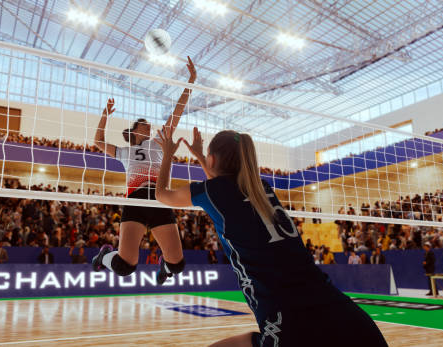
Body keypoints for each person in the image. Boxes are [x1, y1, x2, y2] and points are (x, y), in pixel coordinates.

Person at [153, 127, 387, 347]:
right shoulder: (262, 189)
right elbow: (221, 188)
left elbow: (162, 194)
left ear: (213, 160)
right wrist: (202, 157)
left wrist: (167, 155)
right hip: (344, 314)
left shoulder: (212, 192)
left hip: (290, 323)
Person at [91, 57, 197, 285]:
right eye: (143, 123)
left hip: (159, 198)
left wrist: (191, 82)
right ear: (133, 130)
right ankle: (104, 256)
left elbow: (177, 113)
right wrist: (105, 115)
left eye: (148, 123)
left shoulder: (158, 140)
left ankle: (165, 267)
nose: (148, 124)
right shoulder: (124, 151)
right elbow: (98, 140)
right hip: (136, 199)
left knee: (177, 265)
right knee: (124, 267)